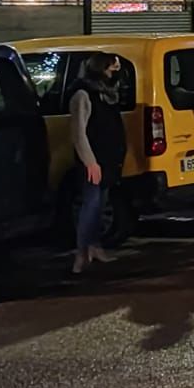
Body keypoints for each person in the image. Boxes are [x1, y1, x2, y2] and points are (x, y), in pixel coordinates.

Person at [68, 51, 125, 274]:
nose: (117, 72)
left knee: (101, 205)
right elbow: (79, 133)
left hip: (108, 158)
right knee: (90, 205)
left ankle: (94, 246)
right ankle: (81, 253)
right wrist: (90, 162)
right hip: (93, 160)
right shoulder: (83, 95)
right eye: (114, 67)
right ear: (102, 68)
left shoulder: (107, 93)